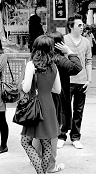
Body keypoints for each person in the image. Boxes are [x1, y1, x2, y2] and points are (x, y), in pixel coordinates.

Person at [33, 32, 82, 173]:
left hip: (40, 99)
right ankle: (51, 165)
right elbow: (77, 67)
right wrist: (70, 52)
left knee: (39, 129)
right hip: (55, 100)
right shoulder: (58, 59)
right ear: (60, 44)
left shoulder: (38, 59)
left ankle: (36, 158)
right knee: (53, 132)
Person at [20, 35, 61, 174]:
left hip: (35, 106)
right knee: (46, 143)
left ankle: (41, 172)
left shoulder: (32, 65)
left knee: (25, 142)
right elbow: (58, 90)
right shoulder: (54, 66)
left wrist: (24, 84)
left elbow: (25, 88)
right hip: (48, 105)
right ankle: (43, 172)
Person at [58, 14, 92, 150]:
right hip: (67, 81)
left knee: (79, 110)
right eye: (79, 25)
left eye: (82, 24)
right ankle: (61, 135)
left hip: (82, 81)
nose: (82, 27)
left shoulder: (86, 42)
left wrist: (89, 79)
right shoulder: (63, 40)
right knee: (65, 109)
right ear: (71, 27)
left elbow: (88, 61)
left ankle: (76, 137)